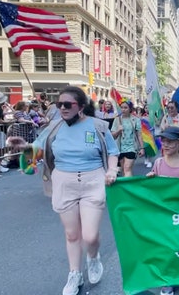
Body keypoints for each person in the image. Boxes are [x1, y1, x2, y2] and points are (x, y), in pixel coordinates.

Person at [8, 86, 119, 295]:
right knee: (71, 234)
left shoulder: (98, 126)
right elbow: (37, 149)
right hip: (64, 182)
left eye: (68, 105)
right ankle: (74, 274)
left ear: (81, 106)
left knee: (90, 236)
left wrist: (112, 169)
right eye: (59, 104)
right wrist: (23, 146)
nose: (62, 108)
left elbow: (113, 151)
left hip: (93, 181)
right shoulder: (54, 127)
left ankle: (93, 258)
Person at [145, 126, 179, 295]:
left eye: (170, 141)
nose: (164, 144)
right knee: (165, 247)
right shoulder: (158, 163)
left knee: (178, 246)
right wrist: (151, 178)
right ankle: (168, 280)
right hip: (162, 214)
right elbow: (153, 188)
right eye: (163, 140)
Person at [111, 98, 144, 177]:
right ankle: (128, 186)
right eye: (122, 107)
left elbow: (139, 135)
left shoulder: (135, 120)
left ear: (130, 109)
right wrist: (118, 130)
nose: (123, 109)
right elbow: (113, 136)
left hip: (132, 147)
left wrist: (142, 148)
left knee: (127, 168)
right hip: (120, 148)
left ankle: (129, 188)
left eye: (125, 107)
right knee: (124, 170)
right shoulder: (117, 119)